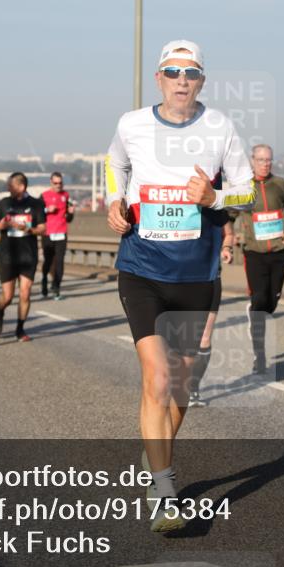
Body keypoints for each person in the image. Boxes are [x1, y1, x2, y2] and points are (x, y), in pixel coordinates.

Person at [106, 39, 255, 531]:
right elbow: (115, 165)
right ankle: (166, 490)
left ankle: (156, 465)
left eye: (190, 73)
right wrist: (113, 202)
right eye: (172, 72)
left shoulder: (220, 127)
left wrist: (214, 195)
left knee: (182, 387)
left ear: (202, 81)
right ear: (158, 78)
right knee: (157, 377)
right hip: (142, 269)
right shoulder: (132, 124)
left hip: (197, 275)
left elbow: (247, 188)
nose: (181, 80)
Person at [235, 143, 284, 375]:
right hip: (253, 254)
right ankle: (260, 358)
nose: (265, 164)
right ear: (252, 161)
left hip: (279, 252)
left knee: (271, 303)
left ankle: (257, 310)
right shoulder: (244, 187)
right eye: (261, 160)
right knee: (260, 302)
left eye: (268, 160)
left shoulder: (279, 185)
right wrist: (230, 235)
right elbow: (228, 214)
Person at [0, 172, 45, 341]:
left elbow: (43, 228)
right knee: (7, 296)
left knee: (25, 293)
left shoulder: (35, 204)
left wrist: (29, 230)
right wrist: (0, 225)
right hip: (8, 255)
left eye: (11, 185)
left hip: (28, 255)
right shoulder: (5, 203)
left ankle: (20, 329)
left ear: (21, 187)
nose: (8, 188)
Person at [188, 220, 234, 408]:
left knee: (204, 338)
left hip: (210, 278)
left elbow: (229, 233)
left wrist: (226, 248)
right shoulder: (176, 202)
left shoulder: (215, 205)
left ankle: (192, 388)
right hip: (178, 278)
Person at [41, 171, 75, 300]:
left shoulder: (66, 196)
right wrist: (46, 210)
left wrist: (71, 213)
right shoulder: (43, 196)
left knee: (60, 262)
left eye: (60, 183)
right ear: (51, 182)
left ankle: (56, 288)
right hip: (48, 233)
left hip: (61, 232)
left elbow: (69, 218)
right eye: (55, 183)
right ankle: (44, 280)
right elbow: (38, 214)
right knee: (49, 261)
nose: (58, 185)